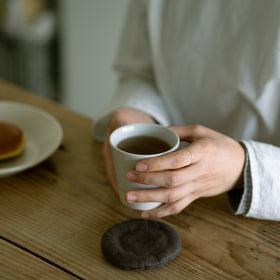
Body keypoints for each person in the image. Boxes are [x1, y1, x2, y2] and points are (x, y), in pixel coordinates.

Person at [93, 0, 280, 221]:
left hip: (247, 220)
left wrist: (244, 167)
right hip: (163, 203)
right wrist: (136, 109)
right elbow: (142, 71)